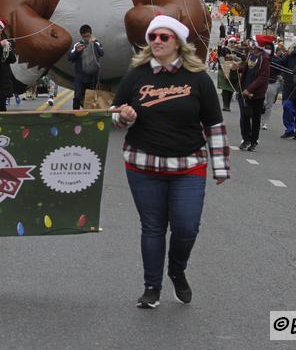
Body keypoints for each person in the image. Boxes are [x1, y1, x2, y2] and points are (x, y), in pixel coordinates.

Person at [111, 15, 229, 309]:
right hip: (143, 165)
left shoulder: (198, 77)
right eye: (153, 37)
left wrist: (221, 165)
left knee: (186, 227)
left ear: (178, 42)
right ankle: (152, 287)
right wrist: (122, 117)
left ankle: (177, 270)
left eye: (164, 37)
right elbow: (113, 114)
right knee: (152, 227)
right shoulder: (136, 75)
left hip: (187, 166)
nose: (157, 42)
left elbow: (213, 124)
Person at [236, 39, 269, 152]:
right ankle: (246, 139)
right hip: (244, 90)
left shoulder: (264, 59)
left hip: (256, 94)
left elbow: (262, 78)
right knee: (244, 116)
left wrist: (250, 89)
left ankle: (254, 141)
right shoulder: (251, 54)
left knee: (255, 118)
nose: (252, 45)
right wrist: (237, 68)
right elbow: (246, 68)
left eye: (254, 43)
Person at [68, 24, 103, 110]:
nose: (86, 38)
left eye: (88, 36)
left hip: (92, 76)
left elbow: (101, 53)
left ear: (91, 34)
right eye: (84, 36)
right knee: (77, 97)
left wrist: (93, 44)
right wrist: (77, 51)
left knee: (91, 98)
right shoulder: (78, 44)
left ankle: (89, 115)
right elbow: (70, 58)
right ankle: (75, 115)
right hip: (80, 76)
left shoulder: (96, 43)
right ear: (81, 36)